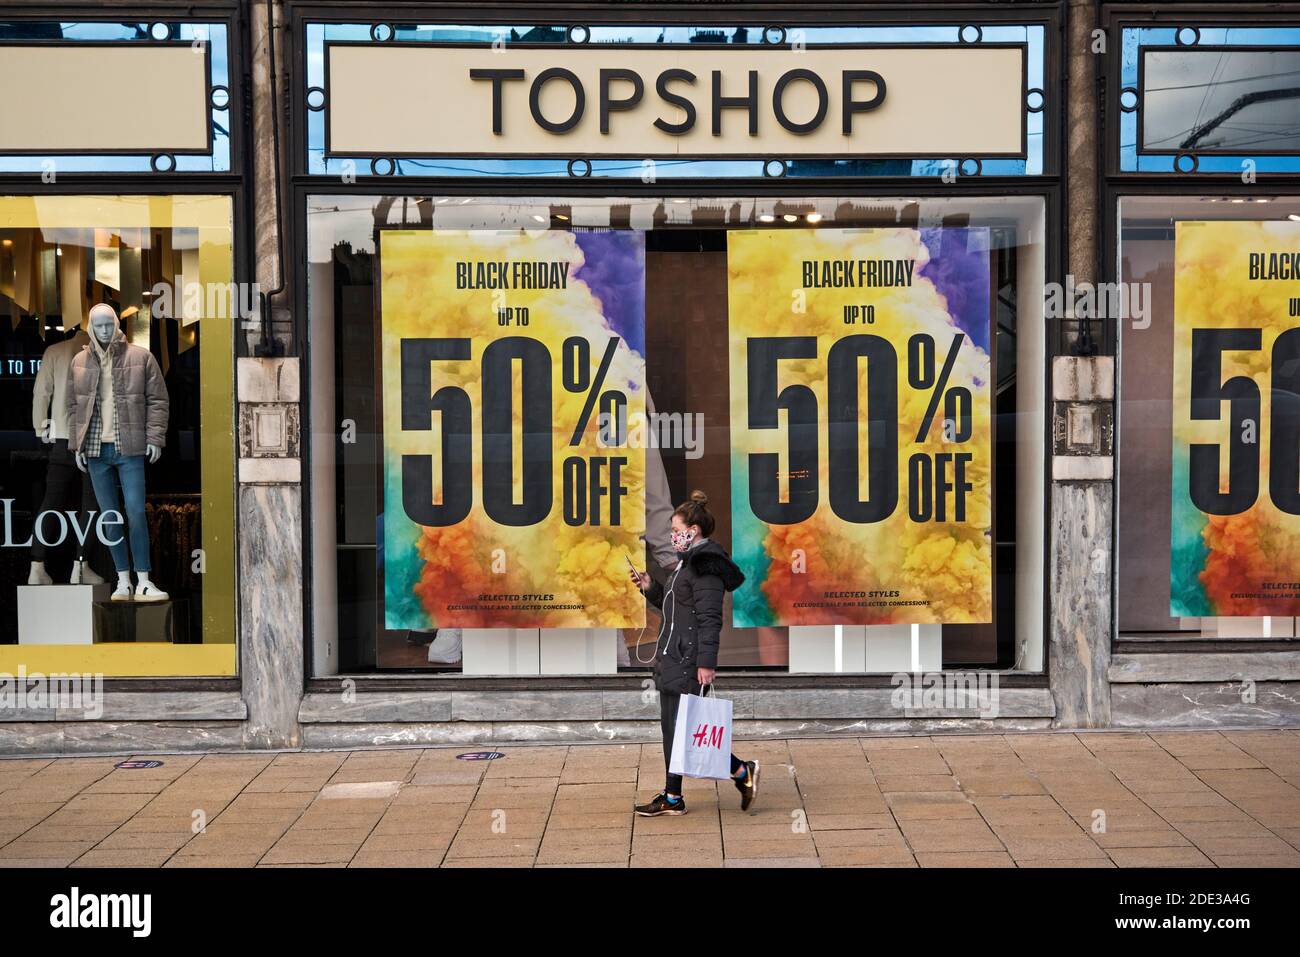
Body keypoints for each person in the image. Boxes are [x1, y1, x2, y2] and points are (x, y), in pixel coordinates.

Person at [629, 490, 758, 816]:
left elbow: (709, 619)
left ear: (694, 530)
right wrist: (650, 587)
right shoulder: (685, 566)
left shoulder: (705, 568)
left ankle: (741, 772)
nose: (672, 537)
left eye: (675, 530)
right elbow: (675, 610)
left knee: (686, 729)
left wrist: (706, 664)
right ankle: (676, 796)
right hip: (673, 657)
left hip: (688, 661)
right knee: (676, 729)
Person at [66, 303, 170, 602]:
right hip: (97, 449)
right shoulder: (79, 361)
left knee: (136, 512)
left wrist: (155, 438)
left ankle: (144, 579)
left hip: (131, 447)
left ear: (116, 325)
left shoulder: (141, 357)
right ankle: (122, 579)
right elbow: (74, 406)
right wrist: (77, 445)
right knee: (110, 517)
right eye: (98, 326)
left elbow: (158, 400)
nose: (104, 330)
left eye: (108, 325)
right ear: (90, 328)